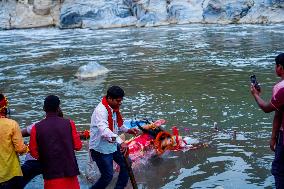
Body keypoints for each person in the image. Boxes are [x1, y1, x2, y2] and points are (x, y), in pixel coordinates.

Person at [89, 86, 139, 189]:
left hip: (112, 144)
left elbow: (118, 125)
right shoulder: (101, 110)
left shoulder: (114, 109)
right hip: (100, 148)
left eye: (121, 100)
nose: (120, 103)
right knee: (107, 176)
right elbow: (105, 131)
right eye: (118, 100)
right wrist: (121, 142)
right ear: (110, 98)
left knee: (127, 164)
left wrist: (128, 130)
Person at [29, 95, 82, 189]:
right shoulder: (69, 123)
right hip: (70, 173)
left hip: (50, 174)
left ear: (44, 108)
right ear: (58, 108)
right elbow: (78, 146)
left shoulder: (36, 128)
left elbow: (34, 153)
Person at [250, 53, 284, 189]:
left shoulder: (280, 88)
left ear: (280, 68)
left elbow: (267, 108)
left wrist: (255, 94)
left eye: (276, 66)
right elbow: (279, 112)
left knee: (279, 172)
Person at [20, 108, 63, 188]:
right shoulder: (65, 127)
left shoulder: (38, 124)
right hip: (54, 163)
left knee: (17, 182)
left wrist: (23, 144)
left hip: (34, 161)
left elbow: (21, 133)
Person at [0, 94, 28, 189]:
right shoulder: (12, 124)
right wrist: (26, 147)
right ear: (4, 109)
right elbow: (20, 149)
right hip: (11, 174)